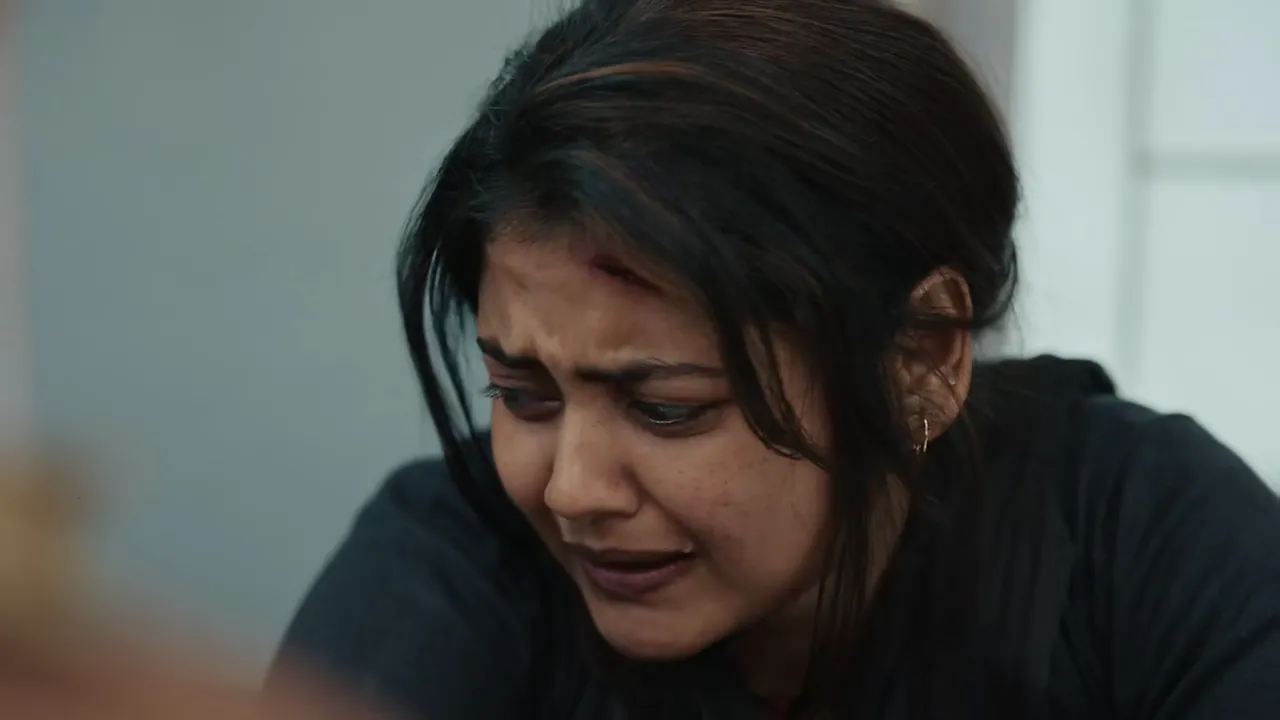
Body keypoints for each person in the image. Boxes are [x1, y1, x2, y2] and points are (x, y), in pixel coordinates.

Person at [2, 1, 1277, 718]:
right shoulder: (455, 561)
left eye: (664, 406)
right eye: (520, 394)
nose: (569, 488)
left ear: (922, 356)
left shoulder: (1139, 537)